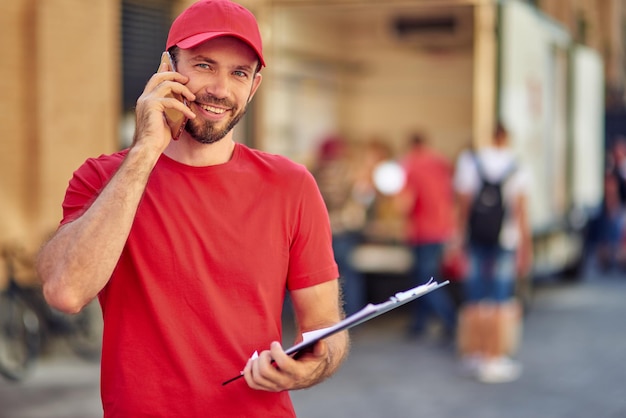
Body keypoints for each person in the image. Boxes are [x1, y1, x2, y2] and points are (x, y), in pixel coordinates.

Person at [35, 0, 349, 416]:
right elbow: (65, 291)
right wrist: (146, 149)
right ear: (167, 66)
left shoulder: (291, 185)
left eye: (239, 73)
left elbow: (326, 328)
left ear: (254, 86)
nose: (220, 88)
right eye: (203, 65)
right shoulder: (102, 179)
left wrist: (306, 370)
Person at [453, 122, 532, 383]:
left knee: (475, 297)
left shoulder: (470, 160)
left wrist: (459, 237)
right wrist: (525, 248)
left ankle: (474, 353)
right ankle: (494, 358)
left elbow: (463, 203)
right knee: (499, 298)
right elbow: (521, 210)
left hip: (475, 238)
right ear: (507, 137)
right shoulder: (516, 164)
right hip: (505, 240)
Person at [395, 132, 458, 342]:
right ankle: (419, 323)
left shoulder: (410, 164)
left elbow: (405, 202)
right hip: (442, 229)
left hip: (423, 231)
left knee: (425, 281)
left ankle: (452, 321)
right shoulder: (441, 162)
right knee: (424, 277)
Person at [310, 135, 368, 315]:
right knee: (349, 276)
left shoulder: (316, 172)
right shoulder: (350, 172)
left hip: (324, 229)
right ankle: (353, 315)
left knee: (323, 276)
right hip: (345, 230)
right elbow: (361, 200)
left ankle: (326, 316)